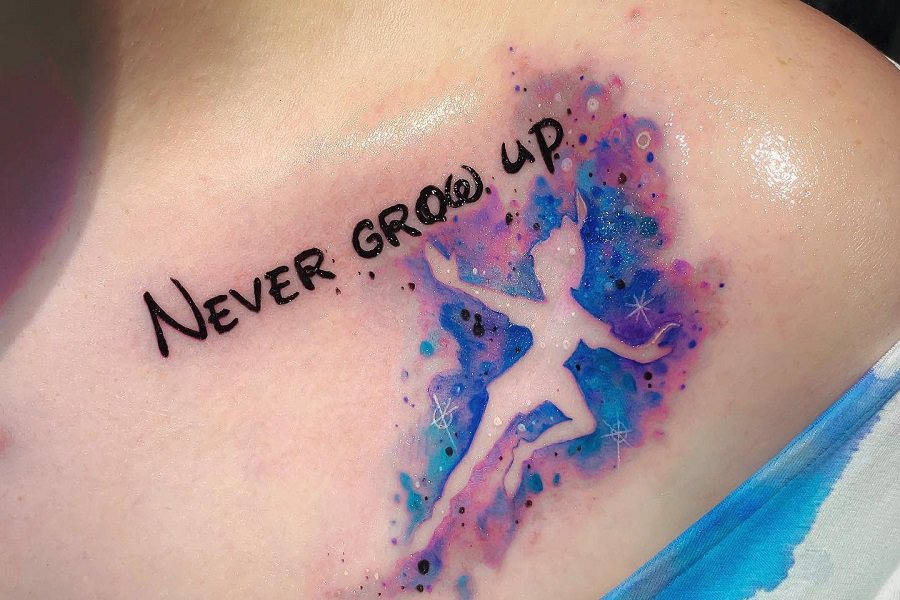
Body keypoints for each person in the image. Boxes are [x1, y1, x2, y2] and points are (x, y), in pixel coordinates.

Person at [0, 1, 897, 598]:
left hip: (569, 376)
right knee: (476, 460)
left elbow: (588, 335)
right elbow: (493, 297)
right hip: (525, 383)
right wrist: (442, 274)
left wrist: (645, 346)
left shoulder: (803, 191)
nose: (554, 266)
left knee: (536, 438)